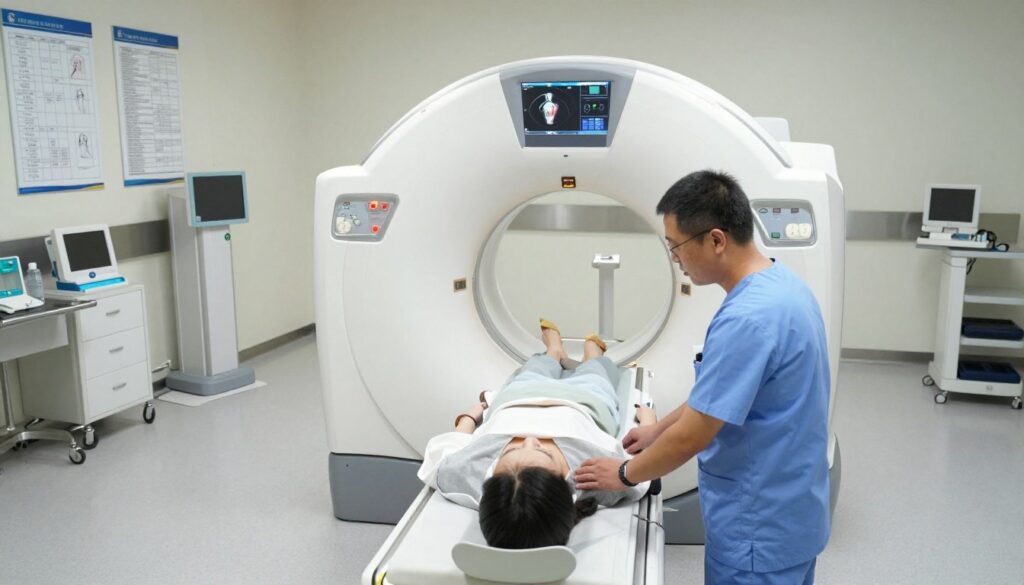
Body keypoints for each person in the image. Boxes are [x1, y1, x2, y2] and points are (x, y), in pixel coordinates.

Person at [574, 170, 831, 584]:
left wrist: (622, 474)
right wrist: (657, 430)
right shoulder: (785, 287)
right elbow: (715, 396)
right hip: (793, 515)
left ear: (716, 240)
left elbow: (693, 437)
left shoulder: (747, 319)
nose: (675, 258)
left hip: (756, 532)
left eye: (676, 246)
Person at [417, 318, 656, 549]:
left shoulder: (463, 473)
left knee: (535, 368)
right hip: (586, 403)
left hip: (517, 398)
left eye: (510, 450)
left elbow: (449, 448)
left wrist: (470, 417)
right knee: (596, 373)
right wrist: (648, 423)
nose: (531, 439)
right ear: (566, 488)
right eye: (545, 453)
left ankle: (554, 351)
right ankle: (593, 354)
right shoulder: (597, 479)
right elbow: (641, 467)